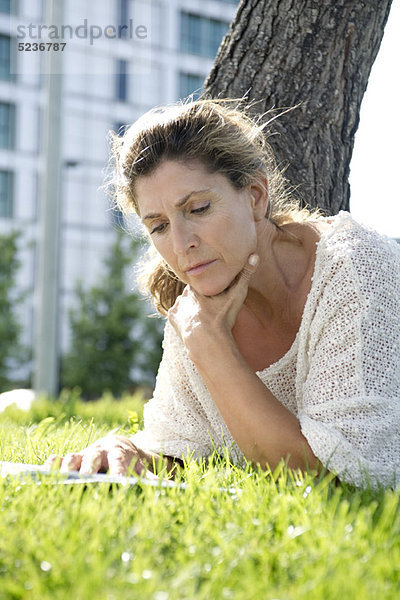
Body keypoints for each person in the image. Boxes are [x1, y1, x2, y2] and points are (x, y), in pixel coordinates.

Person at [46, 99, 400, 488]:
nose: (182, 245)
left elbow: (338, 478)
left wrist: (212, 348)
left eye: (198, 208)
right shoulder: (196, 310)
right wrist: (128, 451)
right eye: (159, 226)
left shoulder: (358, 269)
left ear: (255, 196)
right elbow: (183, 450)